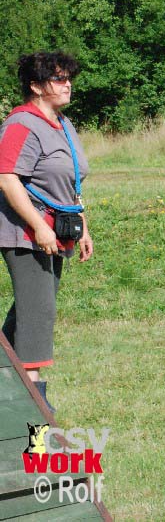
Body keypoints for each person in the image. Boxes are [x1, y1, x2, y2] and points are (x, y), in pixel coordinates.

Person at [0, 51, 94, 413]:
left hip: (56, 232)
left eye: (69, 77)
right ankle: (35, 409)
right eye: (58, 78)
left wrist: (82, 225)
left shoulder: (61, 123)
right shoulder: (22, 124)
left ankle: (15, 392)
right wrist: (39, 226)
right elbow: (7, 178)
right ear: (36, 86)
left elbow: (68, 181)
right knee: (38, 313)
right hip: (24, 234)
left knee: (27, 312)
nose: (67, 83)